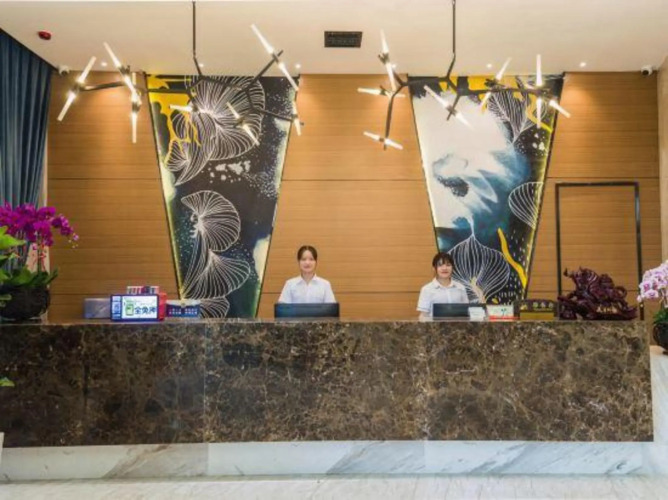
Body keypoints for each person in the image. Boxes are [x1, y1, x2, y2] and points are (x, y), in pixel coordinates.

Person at [417, 251, 468, 319]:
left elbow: (466, 311)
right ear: (434, 268)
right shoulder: (427, 289)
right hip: (435, 326)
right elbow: (423, 315)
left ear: (452, 268)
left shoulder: (460, 287)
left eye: (448, 265)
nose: (444, 268)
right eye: (440, 265)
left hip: (458, 325)